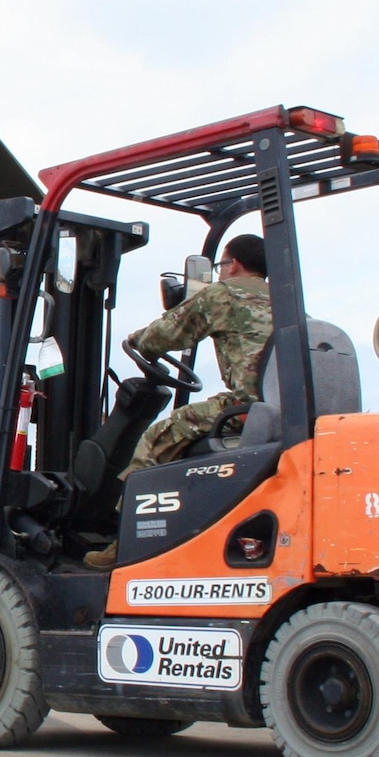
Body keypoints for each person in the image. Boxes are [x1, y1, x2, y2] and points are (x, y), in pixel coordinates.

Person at [83, 234, 273, 568]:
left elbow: (165, 334)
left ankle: (125, 541)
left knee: (156, 439)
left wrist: (138, 340)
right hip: (276, 408)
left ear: (235, 265)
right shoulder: (284, 299)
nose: (219, 273)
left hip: (246, 407)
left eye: (221, 265)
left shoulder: (223, 295)